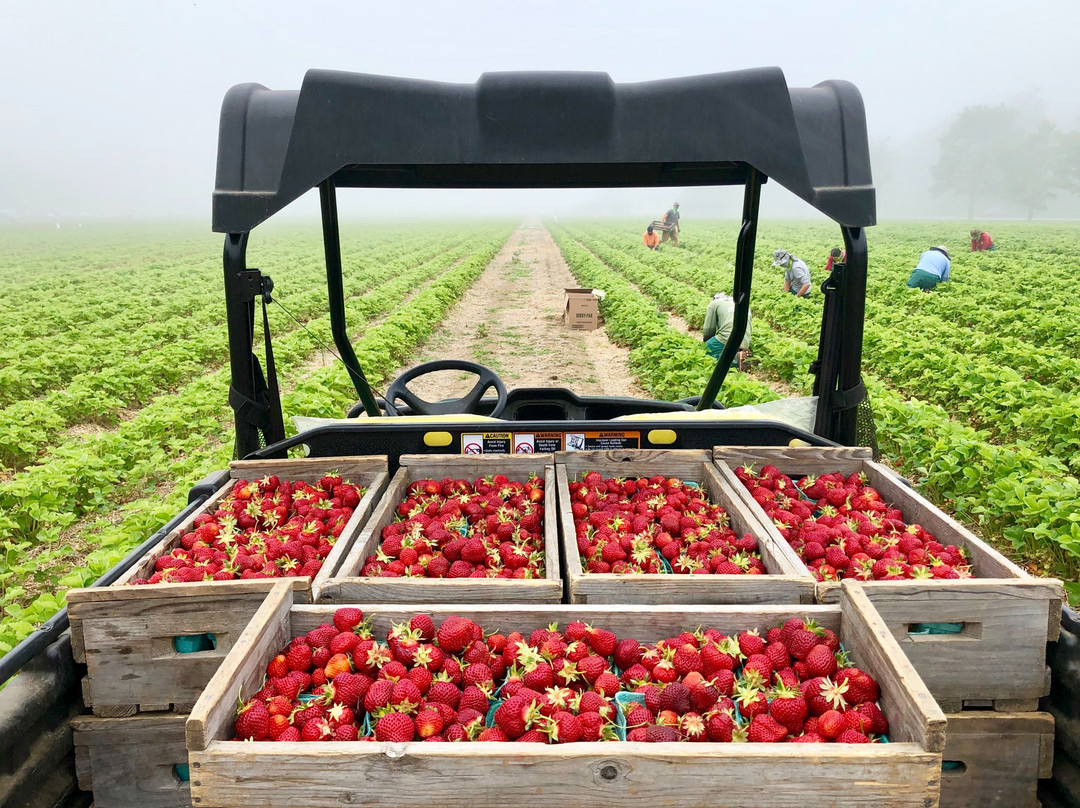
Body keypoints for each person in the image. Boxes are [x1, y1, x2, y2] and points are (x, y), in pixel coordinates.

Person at [702, 292, 751, 369]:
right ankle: (742, 355)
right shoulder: (741, 303)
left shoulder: (714, 304)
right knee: (724, 348)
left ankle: (735, 360)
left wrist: (707, 344)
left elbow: (708, 331)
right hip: (745, 340)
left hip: (728, 336)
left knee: (703, 351)